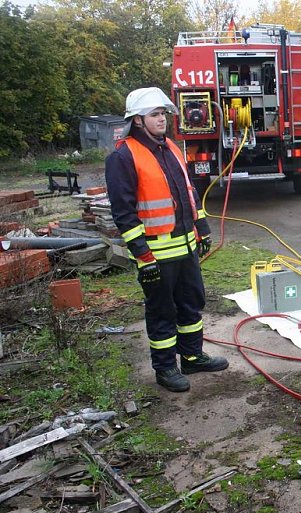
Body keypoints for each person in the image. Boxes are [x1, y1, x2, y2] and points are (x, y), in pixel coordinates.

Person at [106, 87, 229, 392]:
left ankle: (192, 356)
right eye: (154, 114)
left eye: (163, 113)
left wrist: (202, 228)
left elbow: (189, 192)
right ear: (137, 120)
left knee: (192, 303)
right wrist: (143, 257)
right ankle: (164, 368)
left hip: (186, 247)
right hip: (156, 254)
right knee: (162, 311)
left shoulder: (171, 147)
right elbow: (124, 213)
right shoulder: (123, 156)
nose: (162, 119)